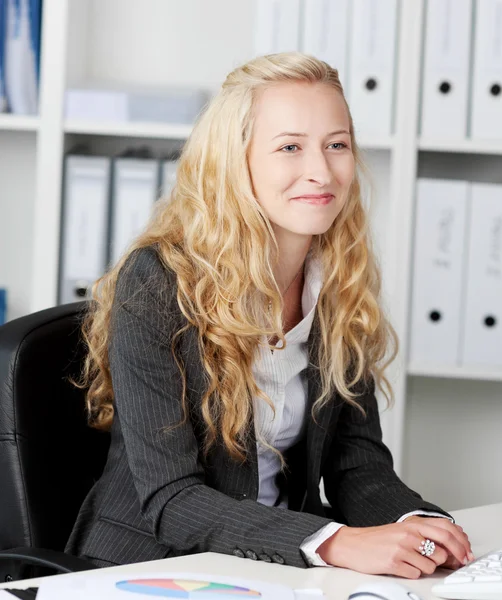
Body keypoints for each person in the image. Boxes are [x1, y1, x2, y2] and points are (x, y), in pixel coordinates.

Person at [65, 52, 474, 579]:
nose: (321, 171)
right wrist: (333, 543)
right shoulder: (161, 281)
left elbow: (357, 463)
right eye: (289, 147)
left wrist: (416, 525)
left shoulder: (337, 280)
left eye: (337, 145)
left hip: (275, 562)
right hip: (151, 566)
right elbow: (172, 500)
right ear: (235, 162)